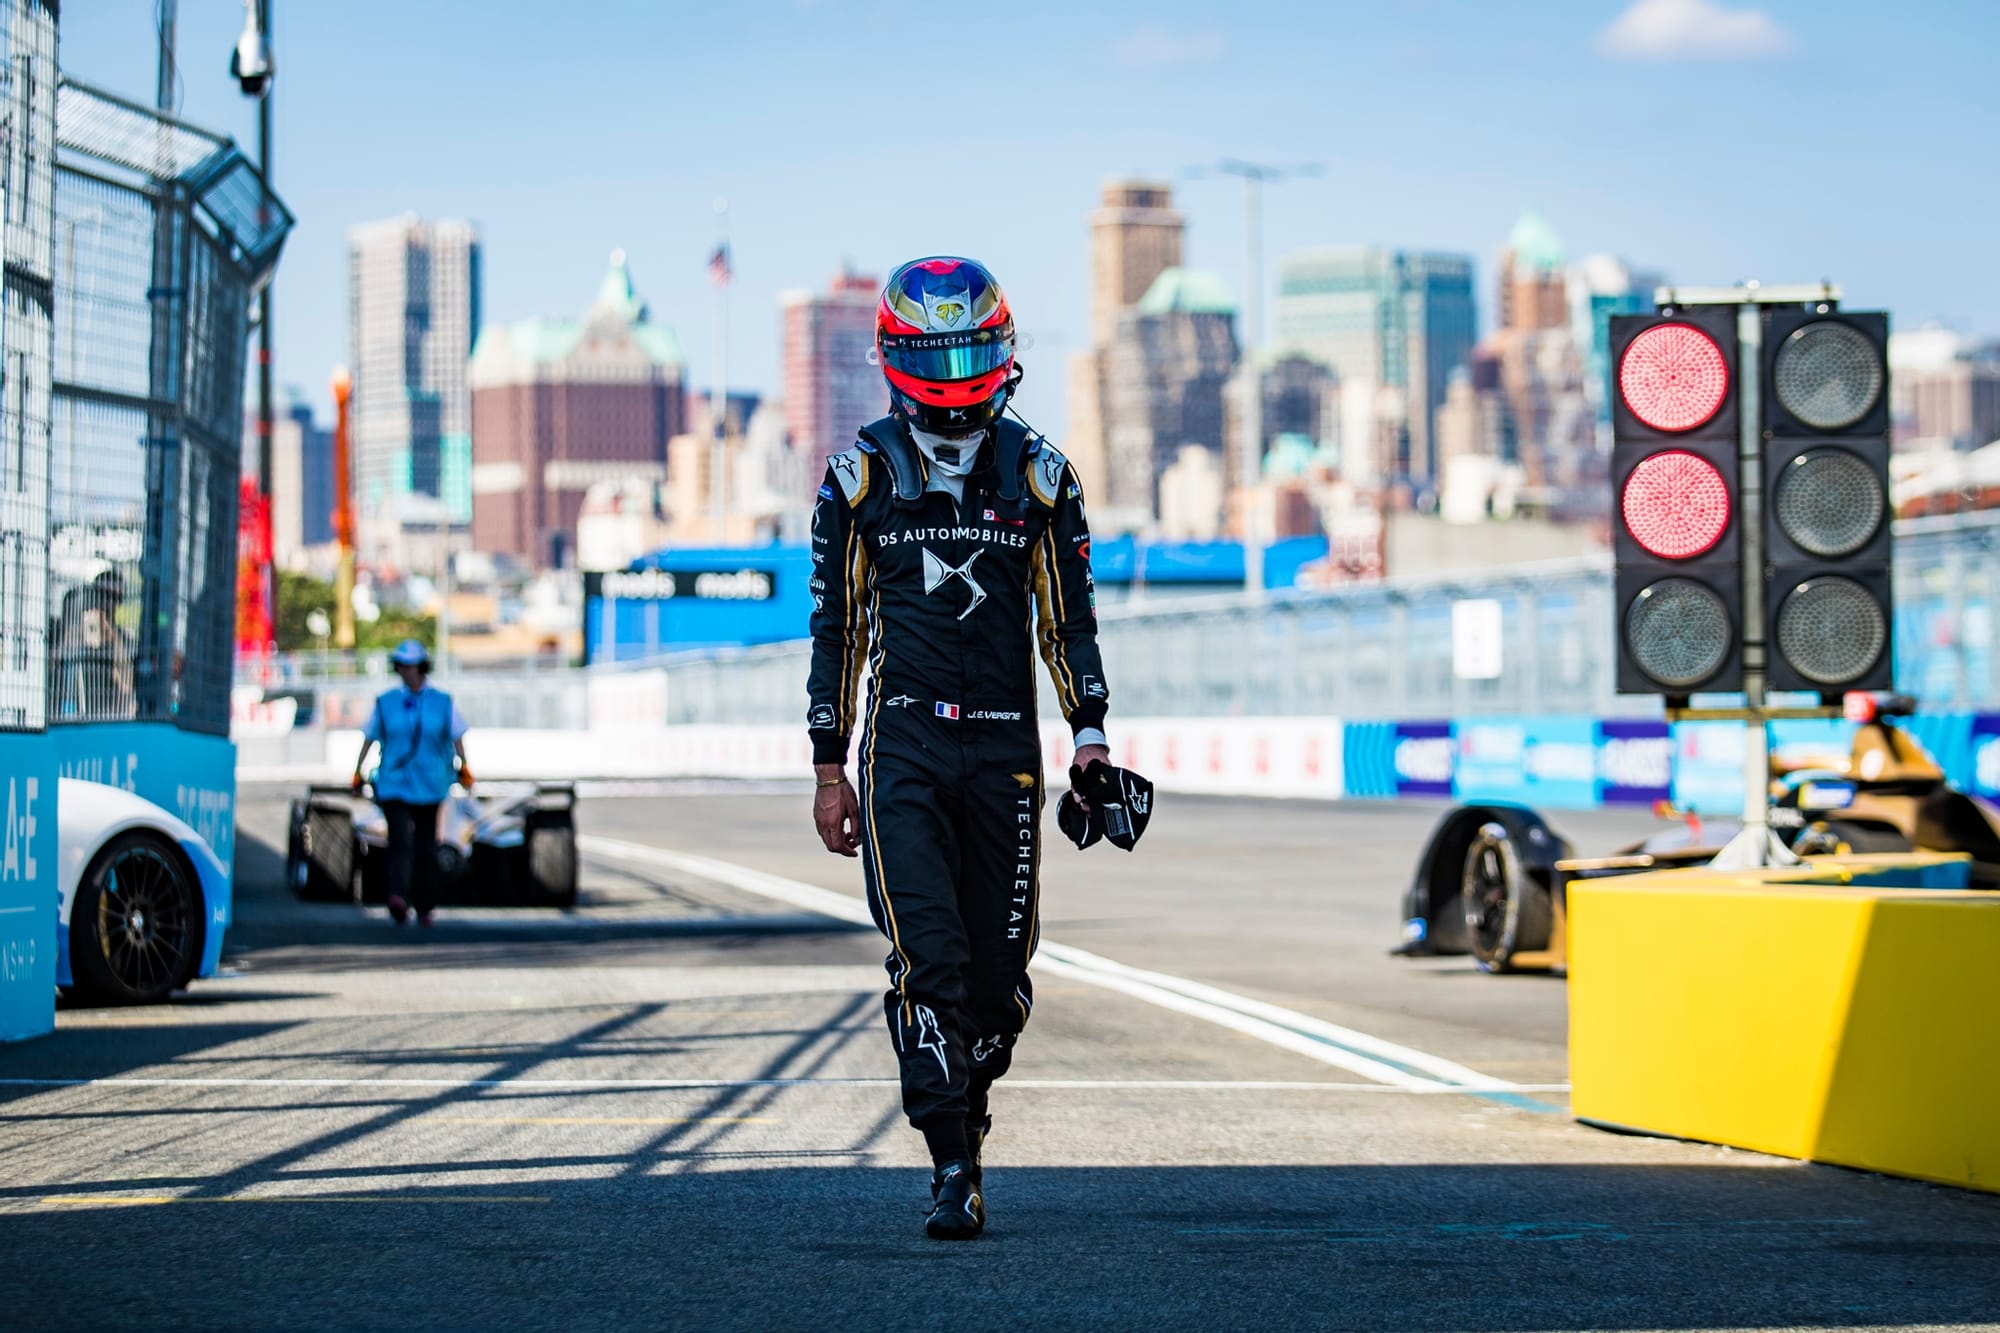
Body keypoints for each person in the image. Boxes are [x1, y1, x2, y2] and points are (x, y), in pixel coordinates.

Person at [807, 257, 1113, 1240]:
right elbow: (836, 629)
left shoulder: (1041, 475)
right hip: (899, 751)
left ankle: (966, 1125)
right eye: (937, 349)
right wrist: (827, 761)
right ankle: (951, 1162)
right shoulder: (856, 480)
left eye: (968, 347)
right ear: (898, 358)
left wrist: (1093, 739)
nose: (954, 369)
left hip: (1007, 758)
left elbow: (1070, 623)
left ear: (1001, 352)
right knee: (927, 958)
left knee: (997, 983)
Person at [350, 639, 472, 927]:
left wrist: (465, 768)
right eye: (401, 666)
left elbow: (457, 738)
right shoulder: (386, 702)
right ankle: (398, 898)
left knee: (426, 846)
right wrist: (358, 770)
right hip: (394, 784)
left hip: (430, 786)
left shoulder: (442, 702)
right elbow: (370, 736)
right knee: (400, 841)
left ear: (421, 667)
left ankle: (425, 904)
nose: (405, 671)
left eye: (410, 666)